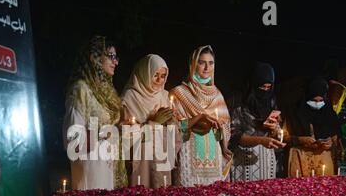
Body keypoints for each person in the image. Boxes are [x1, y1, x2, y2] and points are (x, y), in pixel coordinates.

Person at [63, 35, 127, 190]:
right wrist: (109, 131)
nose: (116, 62)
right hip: (91, 169)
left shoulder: (108, 92)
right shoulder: (81, 89)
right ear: (95, 58)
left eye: (116, 57)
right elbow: (73, 141)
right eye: (111, 56)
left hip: (111, 167)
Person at [170, 45, 232, 186]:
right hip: (188, 155)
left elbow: (226, 130)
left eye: (211, 63)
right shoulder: (179, 93)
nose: (206, 68)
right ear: (193, 64)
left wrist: (220, 128)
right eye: (201, 62)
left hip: (213, 157)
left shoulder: (217, 95)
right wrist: (198, 118)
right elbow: (175, 128)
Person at [121, 54, 181, 188]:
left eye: (163, 76)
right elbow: (126, 135)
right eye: (155, 74)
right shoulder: (130, 97)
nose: (159, 80)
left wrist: (171, 122)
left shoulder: (165, 96)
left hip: (161, 157)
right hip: (142, 159)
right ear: (145, 73)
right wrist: (154, 122)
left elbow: (175, 135)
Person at [228, 62, 286, 182]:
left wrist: (275, 129)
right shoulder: (238, 101)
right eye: (261, 87)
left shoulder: (271, 101)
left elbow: (276, 130)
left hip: (266, 159)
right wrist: (260, 140)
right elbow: (234, 136)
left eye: (268, 87)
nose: (265, 91)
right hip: (244, 160)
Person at [284, 78, 342, 177]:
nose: (317, 104)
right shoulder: (294, 113)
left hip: (324, 161)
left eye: (321, 100)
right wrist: (300, 140)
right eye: (313, 100)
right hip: (300, 160)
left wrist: (330, 142)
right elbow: (283, 137)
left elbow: (336, 138)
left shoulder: (329, 114)